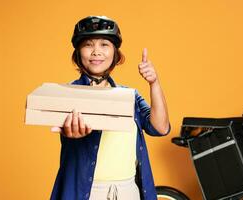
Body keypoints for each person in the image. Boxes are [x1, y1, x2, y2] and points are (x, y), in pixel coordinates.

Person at [50, 16, 170, 200]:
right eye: (88, 45)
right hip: (86, 193)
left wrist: (154, 82)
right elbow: (64, 132)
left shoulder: (130, 96)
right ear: (78, 52)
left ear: (115, 53)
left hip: (128, 191)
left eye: (104, 44)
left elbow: (160, 127)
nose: (96, 52)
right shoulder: (69, 94)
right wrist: (70, 134)